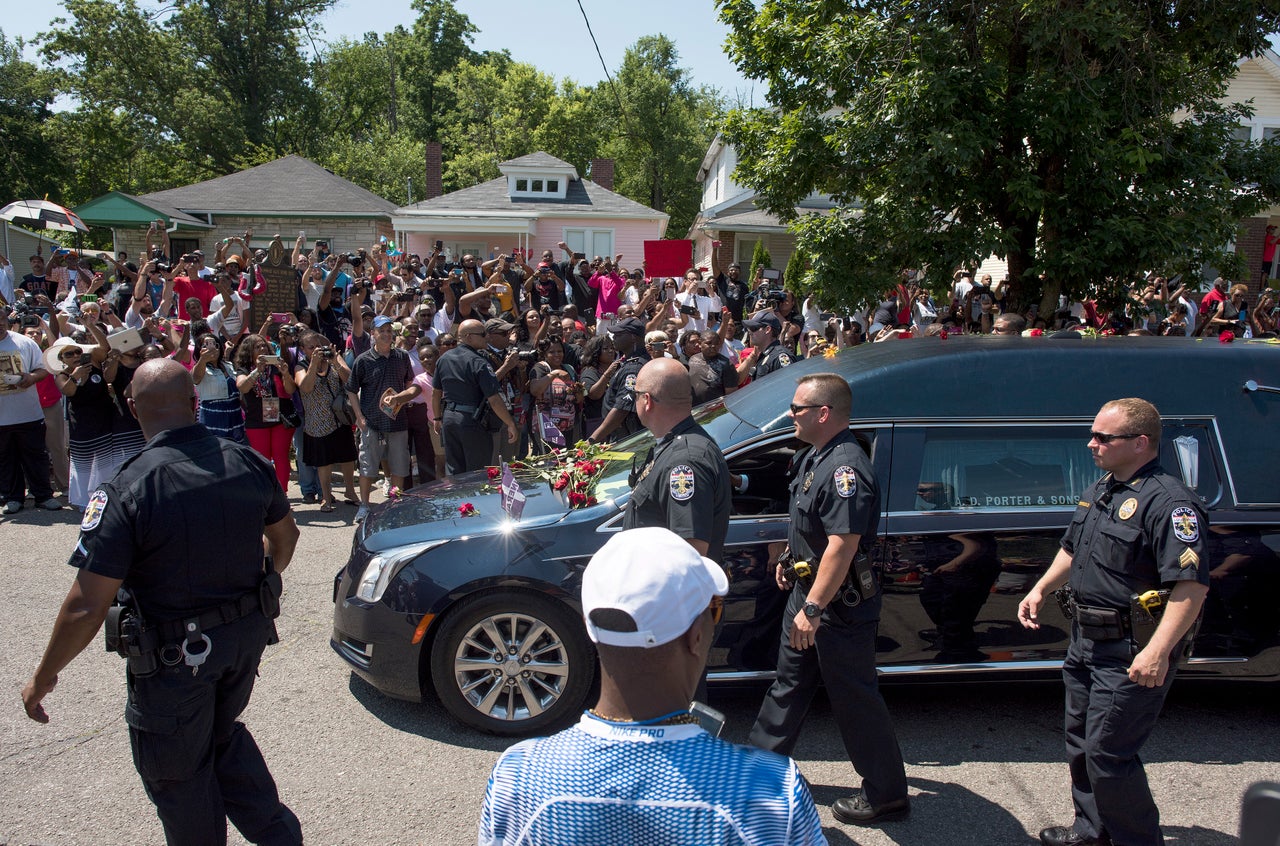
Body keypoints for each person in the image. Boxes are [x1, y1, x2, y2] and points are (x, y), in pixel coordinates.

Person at [21, 358, 303, 846]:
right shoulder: (246, 461)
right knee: (220, 735)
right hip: (242, 642)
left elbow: (86, 606)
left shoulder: (129, 486)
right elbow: (286, 538)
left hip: (176, 660)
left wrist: (42, 677)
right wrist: (263, 581)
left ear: (132, 409)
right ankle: (281, 837)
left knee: (178, 775)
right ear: (195, 404)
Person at [478, 527, 826, 846]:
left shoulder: (518, 778)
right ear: (697, 636)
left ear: (589, 626)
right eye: (714, 611)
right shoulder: (771, 793)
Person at [1017, 398, 1210, 846]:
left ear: (1141, 443)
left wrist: (1157, 652)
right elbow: (1071, 547)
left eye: (1104, 437)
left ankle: (1137, 840)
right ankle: (1093, 831)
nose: (1092, 444)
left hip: (1129, 651)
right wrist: (1040, 588)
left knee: (1109, 755)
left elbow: (1190, 588)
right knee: (1081, 744)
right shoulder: (1103, 487)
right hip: (1086, 641)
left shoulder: (1171, 504)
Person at [749, 373, 910, 827]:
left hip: (837, 606)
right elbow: (808, 525)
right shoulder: (813, 458)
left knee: (855, 699)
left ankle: (887, 796)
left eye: (797, 408)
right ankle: (757, 776)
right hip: (808, 592)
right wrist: (787, 557)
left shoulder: (846, 469)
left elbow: (842, 545)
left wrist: (814, 610)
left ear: (824, 413)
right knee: (788, 685)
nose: (790, 415)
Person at [625, 359, 731, 562]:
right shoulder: (673, 446)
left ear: (647, 400)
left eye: (635, 395)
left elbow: (690, 553)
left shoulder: (685, 462)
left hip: (668, 591)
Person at [345, 315, 420, 522]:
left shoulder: (402, 357)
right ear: (373, 334)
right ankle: (365, 505)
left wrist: (408, 394)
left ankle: (395, 504)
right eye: (382, 331)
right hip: (371, 422)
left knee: (399, 465)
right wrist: (359, 416)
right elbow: (351, 389)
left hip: (398, 421)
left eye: (389, 330)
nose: (387, 334)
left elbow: (410, 382)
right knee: (368, 466)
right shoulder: (363, 360)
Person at [432, 318, 517, 477]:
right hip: (472, 422)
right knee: (476, 473)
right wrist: (510, 423)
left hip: (449, 419)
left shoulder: (444, 359)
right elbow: (494, 398)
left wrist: (437, 418)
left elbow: (436, 393)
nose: (487, 337)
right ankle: (473, 502)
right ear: (468, 337)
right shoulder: (478, 361)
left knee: (455, 471)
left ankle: (459, 502)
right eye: (483, 334)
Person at [0, 309, 62, 513]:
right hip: (2, 419)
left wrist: (31, 378)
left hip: (29, 414)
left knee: (36, 457)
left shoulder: (24, 342)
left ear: (7, 320)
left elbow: (43, 368)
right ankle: (13, 497)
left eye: (1, 319)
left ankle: (43, 495)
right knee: (6, 459)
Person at [588, 317, 649, 443]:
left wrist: (593, 439)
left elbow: (622, 409)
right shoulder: (630, 361)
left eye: (618, 334)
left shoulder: (634, 368)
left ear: (633, 337)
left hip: (628, 438)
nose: (614, 338)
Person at [736, 311, 793, 384]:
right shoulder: (763, 356)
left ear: (767, 329)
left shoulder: (780, 357)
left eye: (754, 328)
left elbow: (788, 387)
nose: (749, 332)